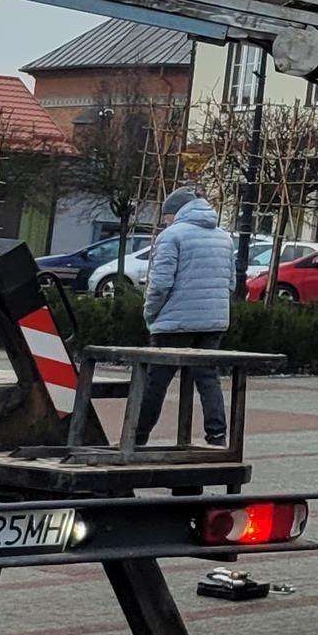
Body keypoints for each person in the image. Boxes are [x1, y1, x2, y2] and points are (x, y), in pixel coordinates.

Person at [132, 188, 232, 447]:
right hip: (213, 323)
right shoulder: (224, 238)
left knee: (156, 381)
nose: (164, 222)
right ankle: (217, 436)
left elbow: (160, 284)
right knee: (208, 378)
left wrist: (150, 313)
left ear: (174, 213)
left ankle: (137, 436)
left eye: (165, 216)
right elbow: (230, 283)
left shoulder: (172, 236)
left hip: (174, 323)